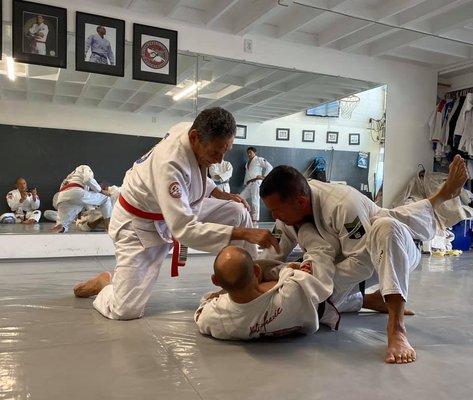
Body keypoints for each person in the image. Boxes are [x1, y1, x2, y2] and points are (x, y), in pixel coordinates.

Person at [73, 107, 279, 321]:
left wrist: (218, 192)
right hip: (140, 224)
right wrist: (244, 234)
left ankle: (250, 282)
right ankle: (105, 283)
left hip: (178, 208)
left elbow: (193, 169)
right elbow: (184, 230)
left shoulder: (190, 133)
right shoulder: (170, 164)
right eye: (216, 152)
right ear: (195, 137)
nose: (219, 160)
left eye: (225, 151)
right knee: (125, 310)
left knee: (238, 211)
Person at [259, 155, 468, 364]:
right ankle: (369, 300)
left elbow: (362, 266)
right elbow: (271, 256)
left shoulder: (341, 205)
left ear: (301, 201)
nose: (275, 216)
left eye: (277, 210)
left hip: (391, 253)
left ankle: (397, 328)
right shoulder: (287, 215)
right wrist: (247, 276)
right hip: (348, 261)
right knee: (306, 304)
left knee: (385, 225)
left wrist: (312, 277)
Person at [195, 246, 359, 340]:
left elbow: (203, 307)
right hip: (322, 303)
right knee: (317, 255)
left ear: (216, 281)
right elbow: (295, 269)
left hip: (310, 309)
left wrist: (220, 293)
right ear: (257, 271)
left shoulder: (214, 317)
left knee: (362, 300)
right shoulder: (291, 291)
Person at [50, 165, 112, 233]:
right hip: (76, 192)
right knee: (106, 198)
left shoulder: (69, 176)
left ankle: (60, 227)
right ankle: (109, 227)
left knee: (62, 225)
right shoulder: (84, 167)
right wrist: (101, 191)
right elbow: (88, 180)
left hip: (62, 197)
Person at [240, 147, 273, 224]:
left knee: (255, 200)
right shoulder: (247, 163)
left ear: (254, 152)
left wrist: (263, 177)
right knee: (240, 198)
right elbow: (248, 174)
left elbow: (269, 167)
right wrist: (246, 183)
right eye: (247, 153)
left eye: (250, 152)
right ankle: (244, 216)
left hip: (256, 182)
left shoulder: (259, 159)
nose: (248, 154)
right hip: (249, 183)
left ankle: (255, 219)